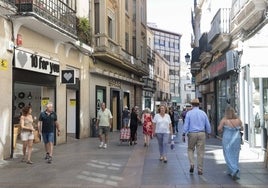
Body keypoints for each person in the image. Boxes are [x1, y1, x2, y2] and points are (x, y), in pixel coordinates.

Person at [182, 98, 211, 175]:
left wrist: (183, 134)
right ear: (199, 105)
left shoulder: (189, 113)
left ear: (192, 104)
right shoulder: (203, 113)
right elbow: (207, 124)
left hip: (192, 134)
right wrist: (208, 132)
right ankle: (200, 169)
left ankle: (192, 163)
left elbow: (186, 125)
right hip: (201, 133)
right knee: (200, 152)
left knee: (190, 149)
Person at [218, 106, 243, 180]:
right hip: (236, 139)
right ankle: (231, 171)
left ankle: (234, 169)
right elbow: (242, 128)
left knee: (227, 154)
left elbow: (219, 129)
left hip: (227, 139)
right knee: (235, 154)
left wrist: (223, 130)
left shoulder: (224, 120)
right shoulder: (238, 120)